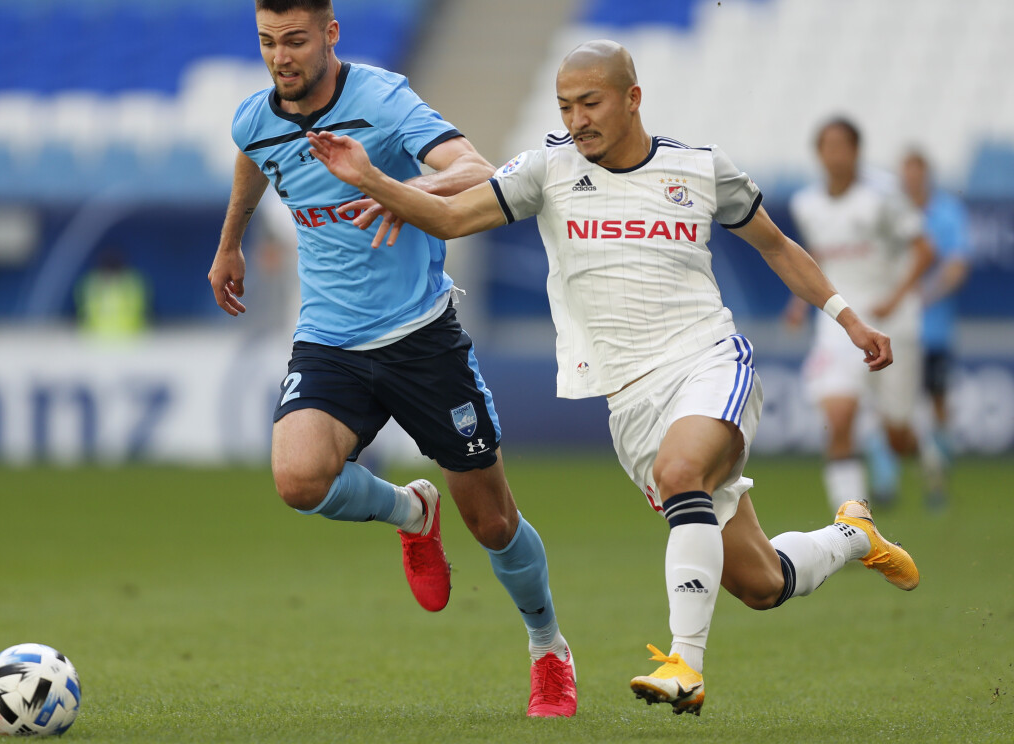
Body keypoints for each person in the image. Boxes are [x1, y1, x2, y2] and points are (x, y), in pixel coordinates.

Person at [305, 39, 920, 717]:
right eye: (565, 106)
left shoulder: (701, 169)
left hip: (708, 361)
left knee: (682, 471)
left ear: (632, 97)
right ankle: (855, 535)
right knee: (759, 582)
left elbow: (776, 244)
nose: (577, 119)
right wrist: (373, 180)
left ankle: (685, 664)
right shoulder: (548, 169)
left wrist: (847, 318)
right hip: (629, 401)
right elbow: (451, 216)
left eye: (590, 102)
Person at [205, 0, 576, 717]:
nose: (283, 58)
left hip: (420, 337)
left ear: (331, 33)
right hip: (330, 341)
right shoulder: (257, 116)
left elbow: (474, 169)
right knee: (299, 480)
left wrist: (386, 186)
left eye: (298, 41)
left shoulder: (383, 100)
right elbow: (253, 160)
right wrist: (230, 245)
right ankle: (413, 513)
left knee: (494, 522)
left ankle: (548, 649)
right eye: (269, 43)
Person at [787, 119, 935, 511]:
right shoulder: (807, 204)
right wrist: (800, 302)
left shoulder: (884, 197)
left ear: (856, 151)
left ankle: (926, 451)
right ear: (818, 154)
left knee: (895, 436)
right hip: (837, 321)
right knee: (837, 419)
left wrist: (895, 297)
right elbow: (817, 257)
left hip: (892, 321)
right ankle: (852, 525)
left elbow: (924, 249)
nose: (835, 154)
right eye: (827, 146)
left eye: (843, 146)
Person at [902, 149, 971, 508]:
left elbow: (958, 265)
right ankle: (887, 482)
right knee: (894, 408)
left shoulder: (945, 213)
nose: (910, 180)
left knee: (937, 403)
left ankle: (938, 477)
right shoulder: (894, 211)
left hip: (933, 331)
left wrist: (925, 294)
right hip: (897, 329)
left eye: (916, 173)